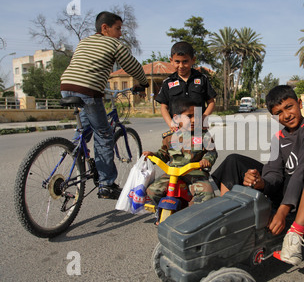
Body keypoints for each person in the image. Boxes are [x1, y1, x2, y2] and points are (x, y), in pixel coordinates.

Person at [211, 85, 304, 265]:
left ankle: (295, 235)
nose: (286, 115)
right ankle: (228, 217)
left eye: (289, 107)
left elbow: (301, 170)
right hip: (288, 189)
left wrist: (281, 212)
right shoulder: (278, 138)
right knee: (233, 161)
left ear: (299, 103)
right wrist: (260, 182)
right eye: (279, 113)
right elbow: (274, 174)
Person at [60, 11, 149, 200]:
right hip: (87, 90)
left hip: (67, 86)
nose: (120, 34)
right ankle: (107, 184)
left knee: (84, 130)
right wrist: (143, 83)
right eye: (118, 29)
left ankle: (77, 157)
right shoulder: (113, 44)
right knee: (104, 133)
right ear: (105, 28)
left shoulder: (84, 42)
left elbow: (87, 67)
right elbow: (132, 65)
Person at [143, 97, 218, 207]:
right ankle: (162, 208)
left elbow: (212, 152)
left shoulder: (203, 135)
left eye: (196, 116)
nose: (193, 120)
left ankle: (191, 213)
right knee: (152, 191)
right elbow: (163, 154)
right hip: (172, 174)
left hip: (195, 174)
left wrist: (206, 159)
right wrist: (152, 156)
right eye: (189, 116)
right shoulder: (169, 137)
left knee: (207, 194)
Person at [155, 41, 216, 130]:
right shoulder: (168, 82)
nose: (181, 66)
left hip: (198, 128)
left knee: (205, 143)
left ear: (193, 60)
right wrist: (171, 123)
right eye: (177, 62)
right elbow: (163, 107)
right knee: (169, 143)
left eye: (185, 61)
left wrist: (203, 118)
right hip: (178, 130)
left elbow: (211, 102)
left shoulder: (202, 79)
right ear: (171, 61)